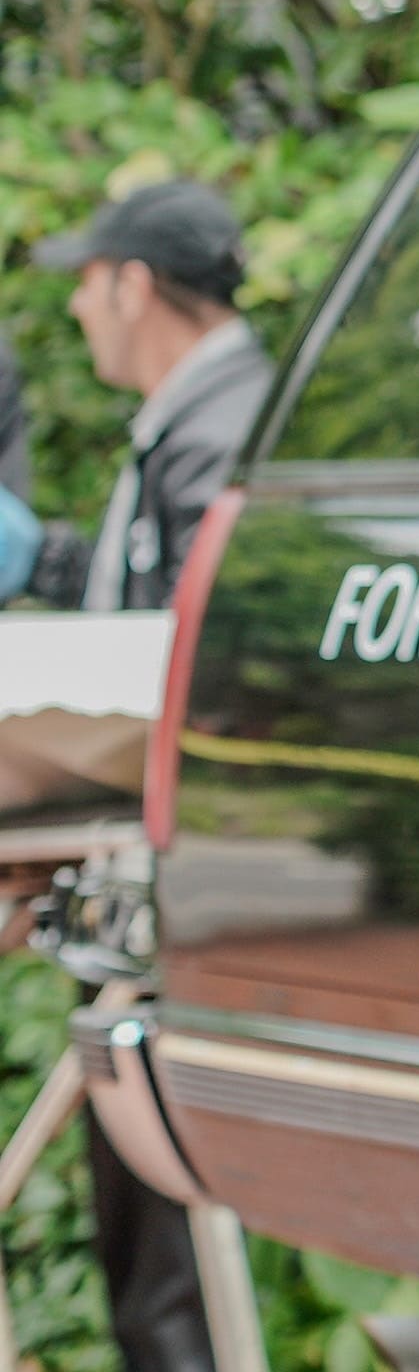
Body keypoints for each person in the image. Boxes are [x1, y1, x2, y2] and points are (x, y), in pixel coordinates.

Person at [1, 179, 275, 1372]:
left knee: (162, 1178)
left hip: (191, 859)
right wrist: (47, 561)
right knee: (140, 1160)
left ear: (132, 284)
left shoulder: (221, 434)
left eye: (85, 281)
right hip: (154, 862)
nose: (75, 309)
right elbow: (140, 597)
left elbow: (195, 654)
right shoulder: (193, 421)